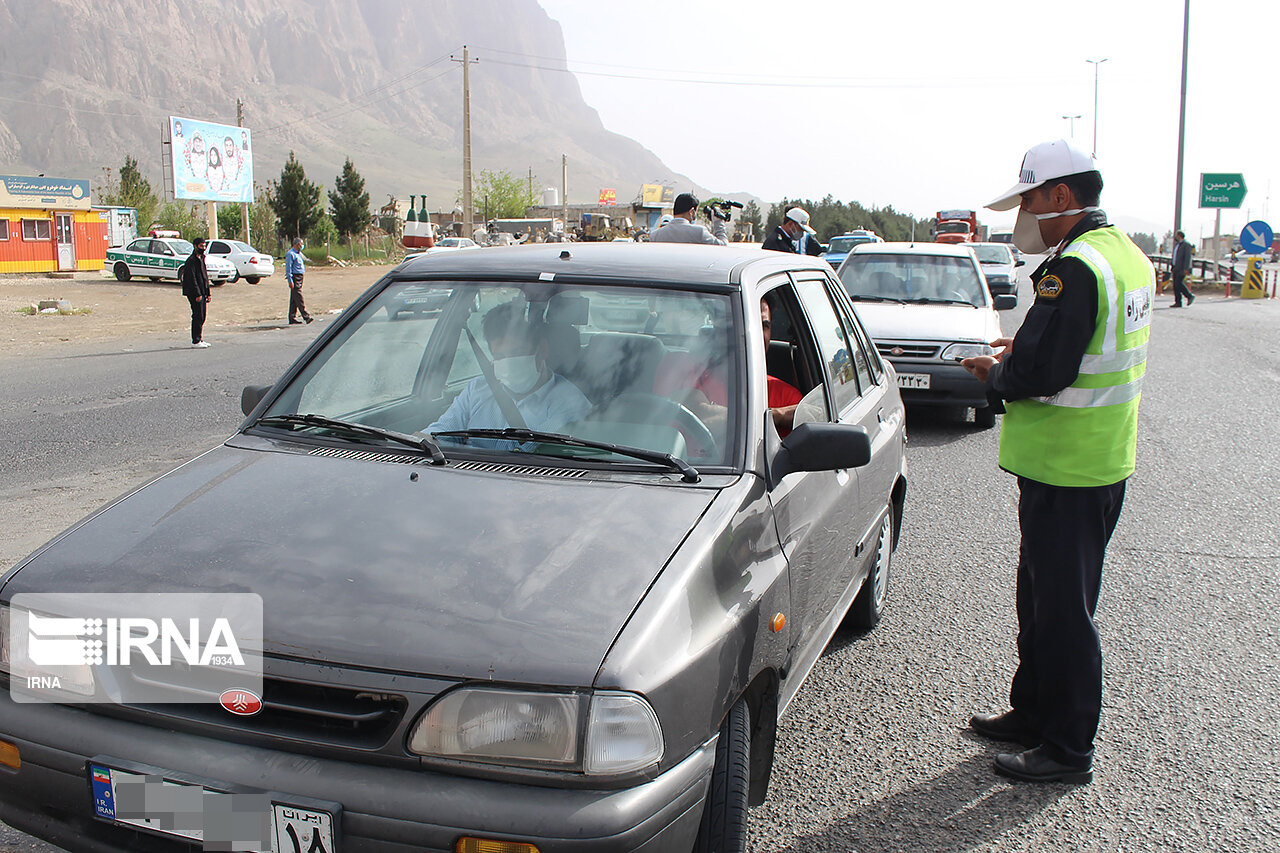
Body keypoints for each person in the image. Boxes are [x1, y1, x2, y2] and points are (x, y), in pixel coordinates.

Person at [960, 138, 1155, 785]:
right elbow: (1087, 341)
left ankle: (1068, 746)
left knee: (1064, 612)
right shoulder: (1127, 257)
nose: (1028, 213)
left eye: (1032, 199)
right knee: (1041, 598)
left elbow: (1046, 368)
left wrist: (998, 371)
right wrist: (1027, 343)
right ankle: (1034, 710)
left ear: (1061, 196)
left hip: (1067, 469)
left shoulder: (1072, 267)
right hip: (1097, 462)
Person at [427, 301, 591, 446]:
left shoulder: (570, 404)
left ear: (542, 350)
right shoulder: (477, 390)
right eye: (499, 356)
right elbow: (439, 433)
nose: (509, 362)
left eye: (517, 352)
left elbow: (530, 455)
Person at [650, 193, 728, 245]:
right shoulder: (699, 232)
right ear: (692, 212)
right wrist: (718, 222)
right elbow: (723, 245)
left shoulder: (655, 236)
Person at [179, 238, 211, 348]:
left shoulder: (201, 258)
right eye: (201, 246)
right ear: (195, 246)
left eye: (204, 246)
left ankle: (200, 338)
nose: (203, 248)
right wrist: (197, 294)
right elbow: (191, 279)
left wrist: (207, 293)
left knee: (202, 316)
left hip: (202, 291)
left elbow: (204, 276)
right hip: (194, 292)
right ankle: (196, 340)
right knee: (197, 315)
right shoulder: (191, 261)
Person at [284, 237, 313, 325]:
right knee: (299, 296)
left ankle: (292, 317)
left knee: (294, 298)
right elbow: (288, 268)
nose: (302, 245)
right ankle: (306, 316)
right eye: (301, 244)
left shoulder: (299, 253)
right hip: (295, 277)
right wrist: (290, 280)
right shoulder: (290, 254)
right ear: (297, 244)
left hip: (300, 276)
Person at [1171, 230, 1195, 307]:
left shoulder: (1186, 245)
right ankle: (1178, 302)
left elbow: (1188, 257)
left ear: (1179, 236)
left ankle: (1189, 296)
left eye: (1176, 235)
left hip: (1181, 268)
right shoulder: (1178, 245)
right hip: (1176, 268)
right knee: (1175, 285)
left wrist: (1186, 268)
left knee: (1179, 283)